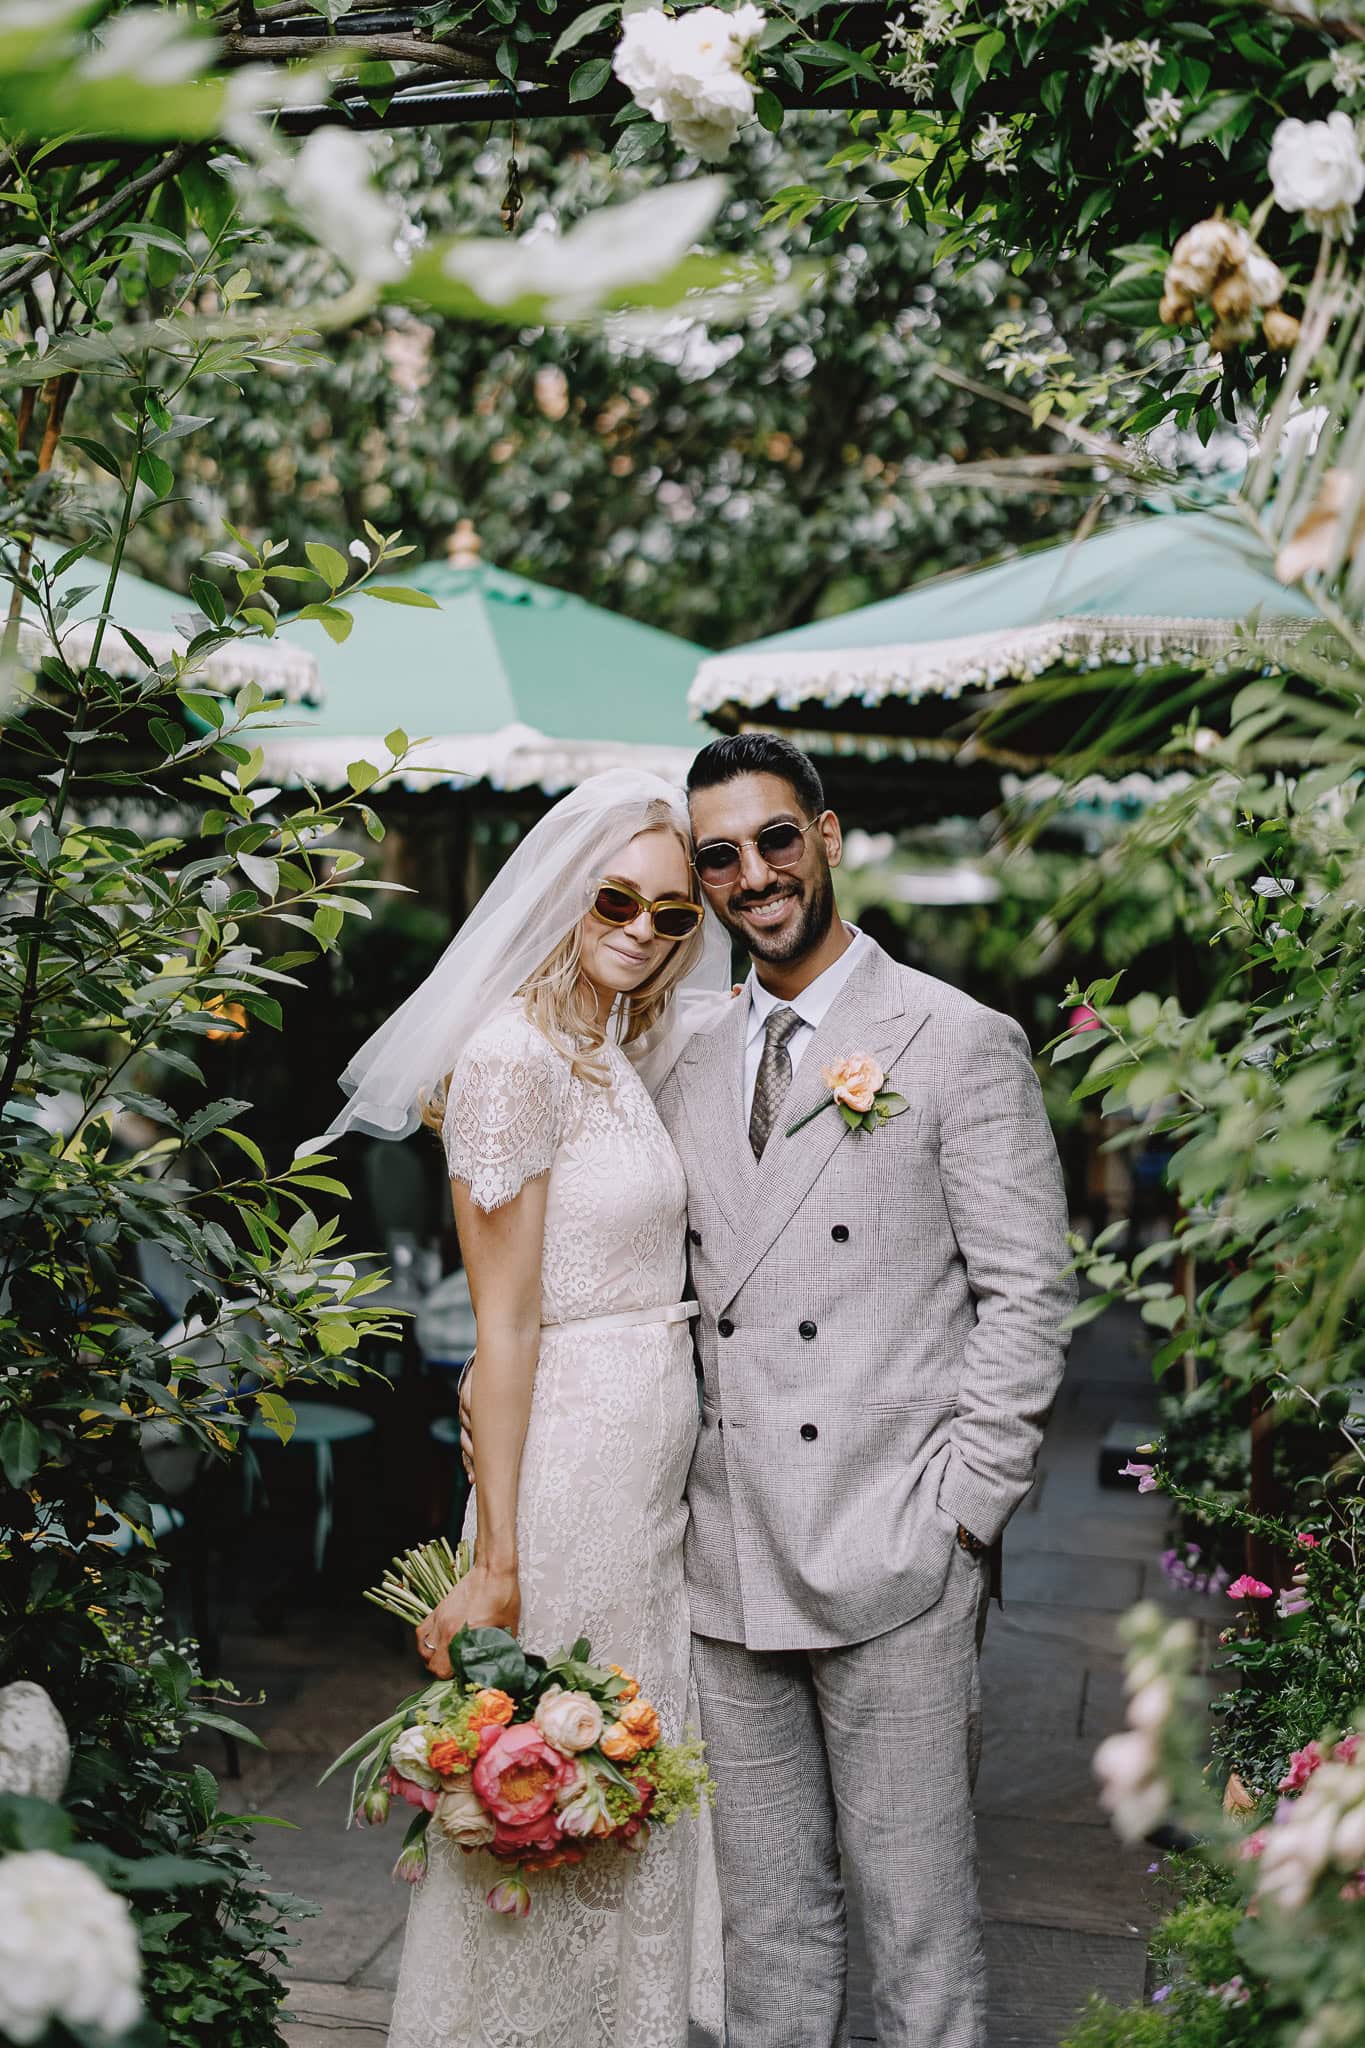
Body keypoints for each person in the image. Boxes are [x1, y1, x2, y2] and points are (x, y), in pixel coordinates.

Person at [652, 734, 1076, 2048]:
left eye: (775, 839)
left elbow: (1030, 1294)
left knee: (916, 1925)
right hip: (729, 1554)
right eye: (719, 855)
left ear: (827, 838)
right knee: (767, 1926)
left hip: (892, 1544)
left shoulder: (955, 1041)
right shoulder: (687, 1056)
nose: (754, 875)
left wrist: (962, 1514)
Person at [326, 771, 726, 2048]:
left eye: (673, 914)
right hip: (569, 1465)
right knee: (557, 1766)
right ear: (565, 892)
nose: (642, 930)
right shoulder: (508, 1059)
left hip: (649, 1470)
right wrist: (497, 1559)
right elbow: (501, 1331)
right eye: (617, 898)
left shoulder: (611, 1045)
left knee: (630, 1764)